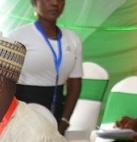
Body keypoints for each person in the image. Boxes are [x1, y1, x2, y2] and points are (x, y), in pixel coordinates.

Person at [8, 0, 83, 134]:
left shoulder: (72, 39)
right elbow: (4, 83)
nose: (55, 3)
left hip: (56, 117)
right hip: (22, 117)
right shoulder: (18, 37)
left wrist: (64, 121)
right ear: (35, 2)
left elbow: (74, 85)